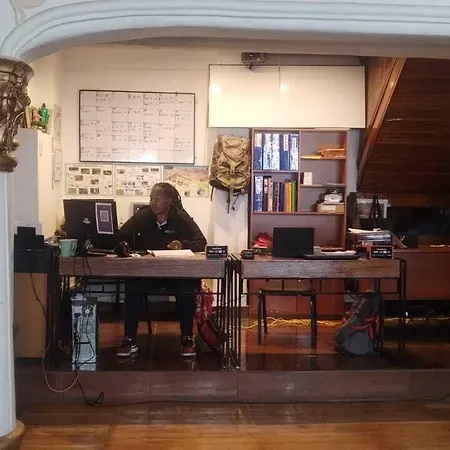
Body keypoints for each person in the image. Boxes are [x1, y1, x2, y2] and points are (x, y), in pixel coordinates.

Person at [116, 182, 207, 358]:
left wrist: (182, 244)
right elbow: (121, 235)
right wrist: (124, 246)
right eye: (151, 198)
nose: (152, 202)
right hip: (148, 273)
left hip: (175, 273)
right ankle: (129, 339)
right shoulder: (142, 216)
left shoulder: (180, 217)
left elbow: (201, 242)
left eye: (157, 199)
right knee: (133, 287)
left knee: (187, 289)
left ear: (169, 201)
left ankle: (187, 338)